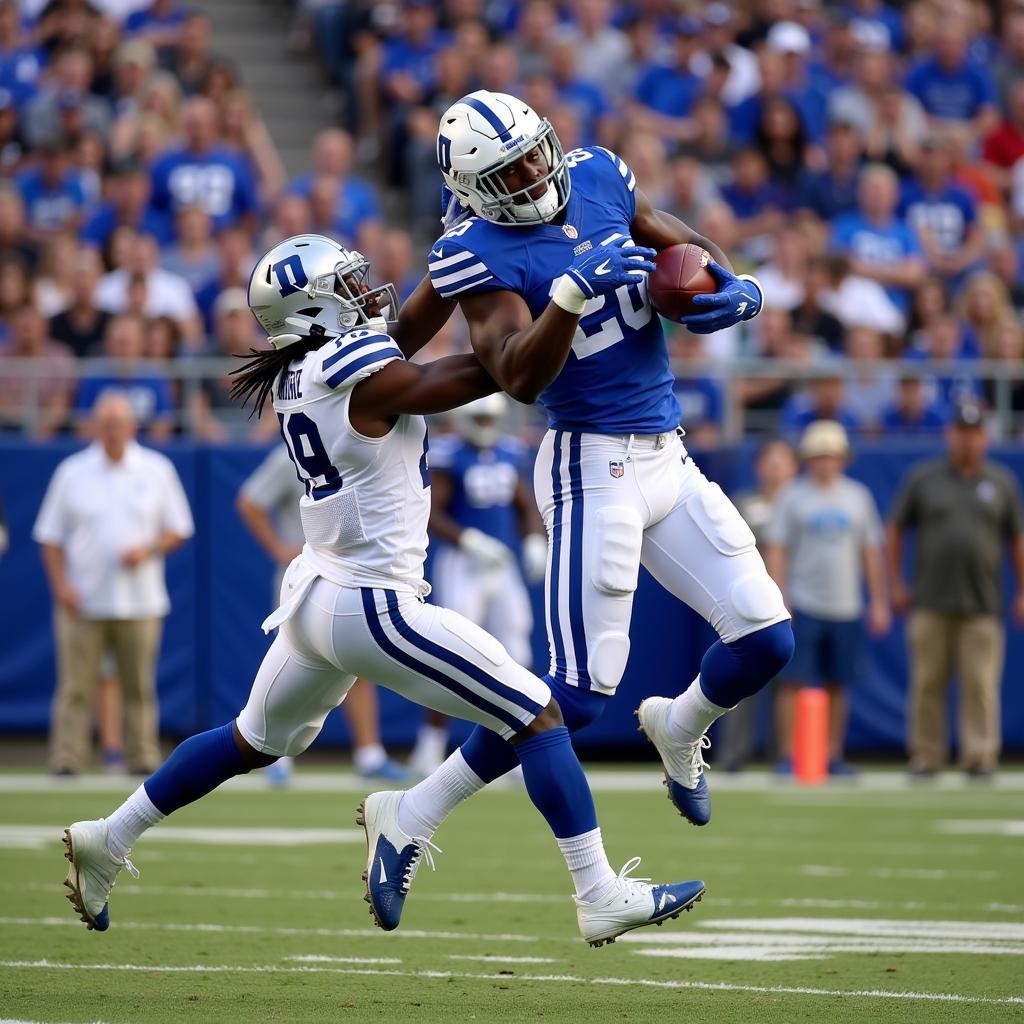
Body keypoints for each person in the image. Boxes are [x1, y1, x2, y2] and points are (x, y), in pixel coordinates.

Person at [61, 235, 705, 948]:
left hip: (317, 593)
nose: (367, 291)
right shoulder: (352, 370)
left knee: (249, 740)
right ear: (314, 312)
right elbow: (494, 375)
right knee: (535, 713)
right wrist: (564, 307)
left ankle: (108, 836)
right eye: (348, 286)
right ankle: (597, 891)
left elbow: (411, 335)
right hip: (372, 603)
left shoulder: (303, 368)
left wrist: (464, 257)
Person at [382, 90, 793, 886]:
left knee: (766, 638)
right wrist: (570, 294)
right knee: (572, 696)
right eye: (512, 170)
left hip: (665, 453)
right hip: (587, 461)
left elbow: (683, 244)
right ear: (472, 188)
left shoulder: (597, 173)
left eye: (536, 150)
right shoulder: (477, 251)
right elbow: (518, 377)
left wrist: (725, 285)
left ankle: (680, 724)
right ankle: (413, 812)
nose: (536, 171)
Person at [33, 393, 194, 776]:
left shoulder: (156, 468)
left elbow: (180, 528)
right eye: (105, 423)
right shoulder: (72, 471)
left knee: (139, 685)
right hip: (82, 598)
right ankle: (67, 757)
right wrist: (61, 586)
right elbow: (50, 537)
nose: (112, 431)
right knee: (75, 686)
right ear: (93, 425)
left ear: (131, 426)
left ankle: (141, 755)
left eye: (119, 423)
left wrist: (149, 548)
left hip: (141, 601)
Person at [236, 444, 409, 783]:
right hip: (305, 575)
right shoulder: (291, 454)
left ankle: (370, 753)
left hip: (348, 573)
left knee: (358, 663)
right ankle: (276, 758)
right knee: (291, 664)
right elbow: (250, 501)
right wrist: (277, 548)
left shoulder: (356, 447)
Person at [887, 401, 1024, 778]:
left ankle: (979, 756)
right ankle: (926, 756)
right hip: (930, 600)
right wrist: (896, 581)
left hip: (982, 602)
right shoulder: (925, 478)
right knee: (927, 683)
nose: (967, 440)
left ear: (984, 437)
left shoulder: (1000, 482)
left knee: (980, 685)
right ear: (950, 435)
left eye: (974, 433)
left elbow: (1016, 540)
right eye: (961, 432)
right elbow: (896, 528)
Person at [420, 393, 548, 774]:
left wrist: (532, 539)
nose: (487, 428)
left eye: (492, 420)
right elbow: (431, 512)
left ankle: (519, 744)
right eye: (480, 420)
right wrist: (468, 540)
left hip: (501, 564)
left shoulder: (511, 452)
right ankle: (430, 748)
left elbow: (524, 505)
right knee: (452, 654)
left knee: (517, 653)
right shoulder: (447, 454)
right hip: (462, 563)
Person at [764, 421, 890, 776]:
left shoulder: (857, 496)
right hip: (804, 602)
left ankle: (832, 754)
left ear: (842, 459)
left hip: (845, 603)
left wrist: (878, 600)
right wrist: (779, 598)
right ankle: (789, 754)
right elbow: (777, 549)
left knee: (839, 682)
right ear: (808, 459)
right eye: (818, 456)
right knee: (793, 681)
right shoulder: (792, 495)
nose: (824, 462)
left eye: (830, 456)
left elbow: (871, 551)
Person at [718, 438, 799, 771]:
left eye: (784, 460)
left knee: (790, 682)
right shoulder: (743, 504)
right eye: (771, 460)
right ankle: (734, 753)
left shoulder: (804, 504)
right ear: (758, 467)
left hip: (794, 602)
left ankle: (786, 755)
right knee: (739, 678)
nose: (777, 468)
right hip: (744, 604)